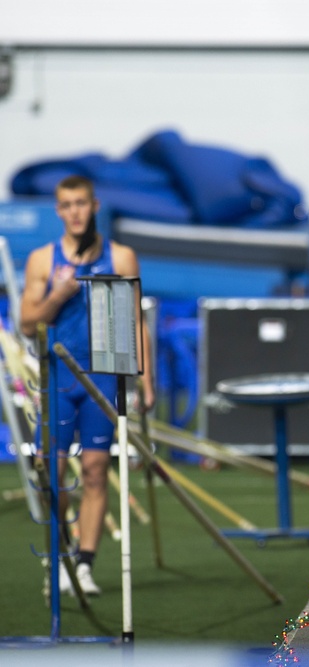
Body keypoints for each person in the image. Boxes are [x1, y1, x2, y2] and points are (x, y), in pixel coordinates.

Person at [20, 174, 155, 598]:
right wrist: (58, 294)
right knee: (52, 475)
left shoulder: (122, 257)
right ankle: (57, 556)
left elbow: (136, 321)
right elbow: (26, 322)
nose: (75, 211)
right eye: (67, 205)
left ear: (95, 206)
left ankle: (83, 563)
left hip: (104, 373)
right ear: (59, 211)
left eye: (82, 203)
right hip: (58, 375)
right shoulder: (42, 260)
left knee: (96, 471)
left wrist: (146, 380)